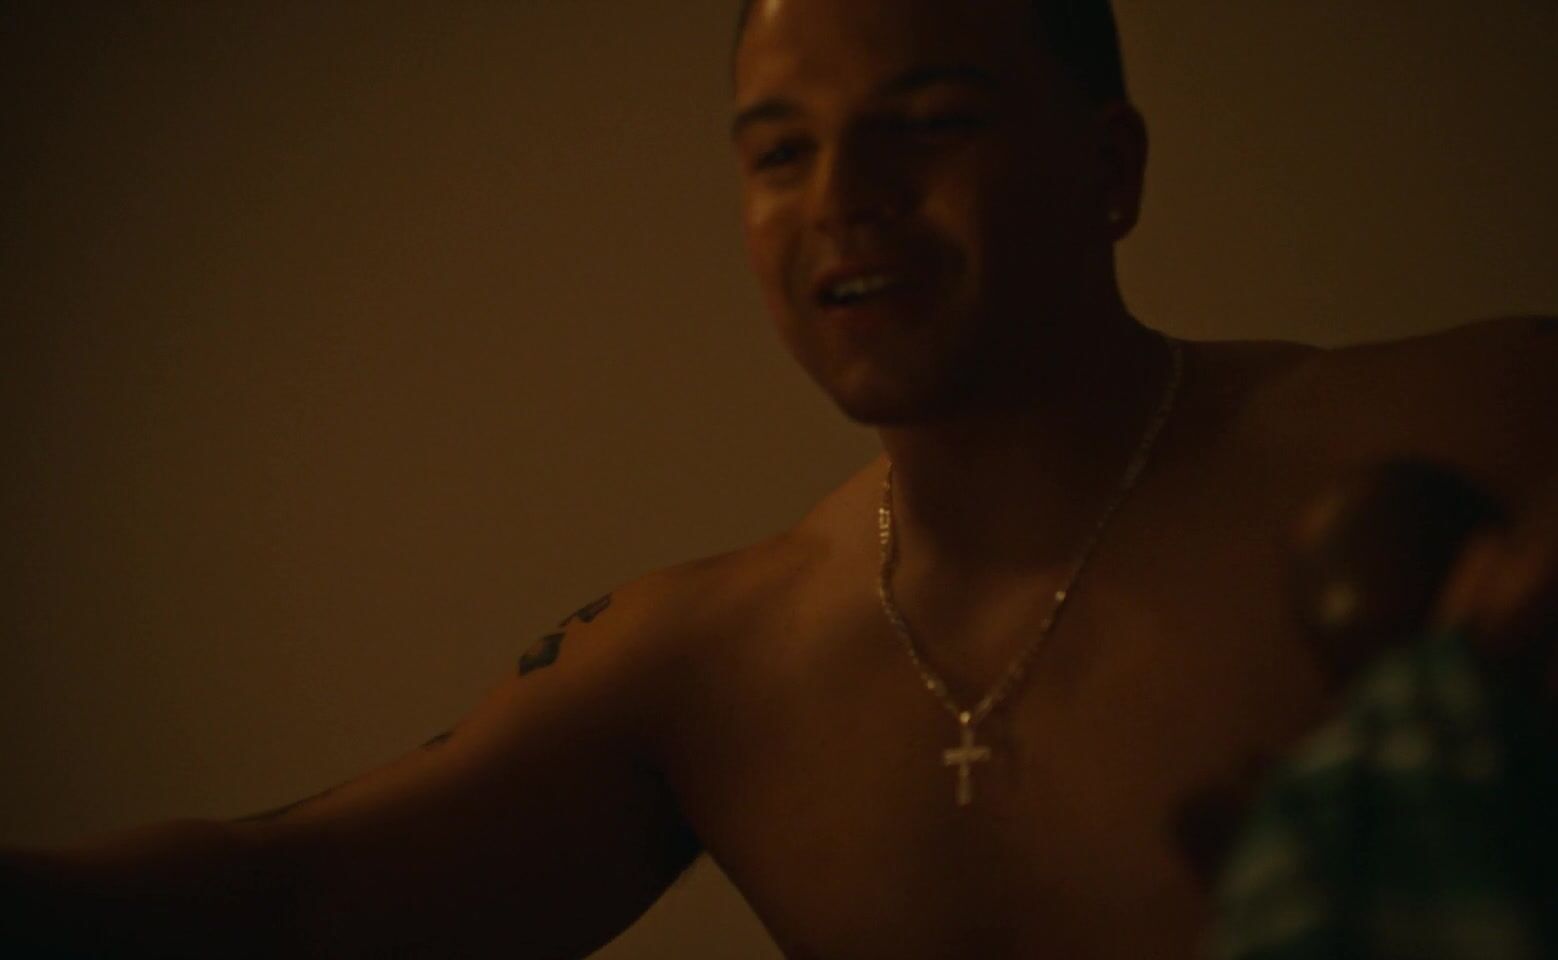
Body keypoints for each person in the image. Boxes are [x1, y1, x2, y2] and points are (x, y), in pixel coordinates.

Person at [3, 0, 1554, 956]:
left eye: (924, 127)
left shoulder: (1460, 419)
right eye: (777, 152)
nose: (841, 201)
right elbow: (294, 896)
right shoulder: (716, 668)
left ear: (1109, 169)